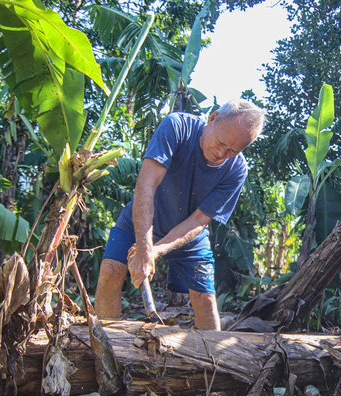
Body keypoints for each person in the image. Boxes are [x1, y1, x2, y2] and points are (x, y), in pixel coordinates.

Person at [94, 99, 266, 330]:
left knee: (204, 299)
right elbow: (146, 184)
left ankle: (211, 360)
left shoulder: (236, 170)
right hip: (142, 220)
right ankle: (107, 346)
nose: (221, 153)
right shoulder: (177, 127)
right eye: (221, 142)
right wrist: (145, 246)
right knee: (110, 272)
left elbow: (199, 220)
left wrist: (156, 250)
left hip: (189, 233)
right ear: (212, 118)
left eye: (232, 151)